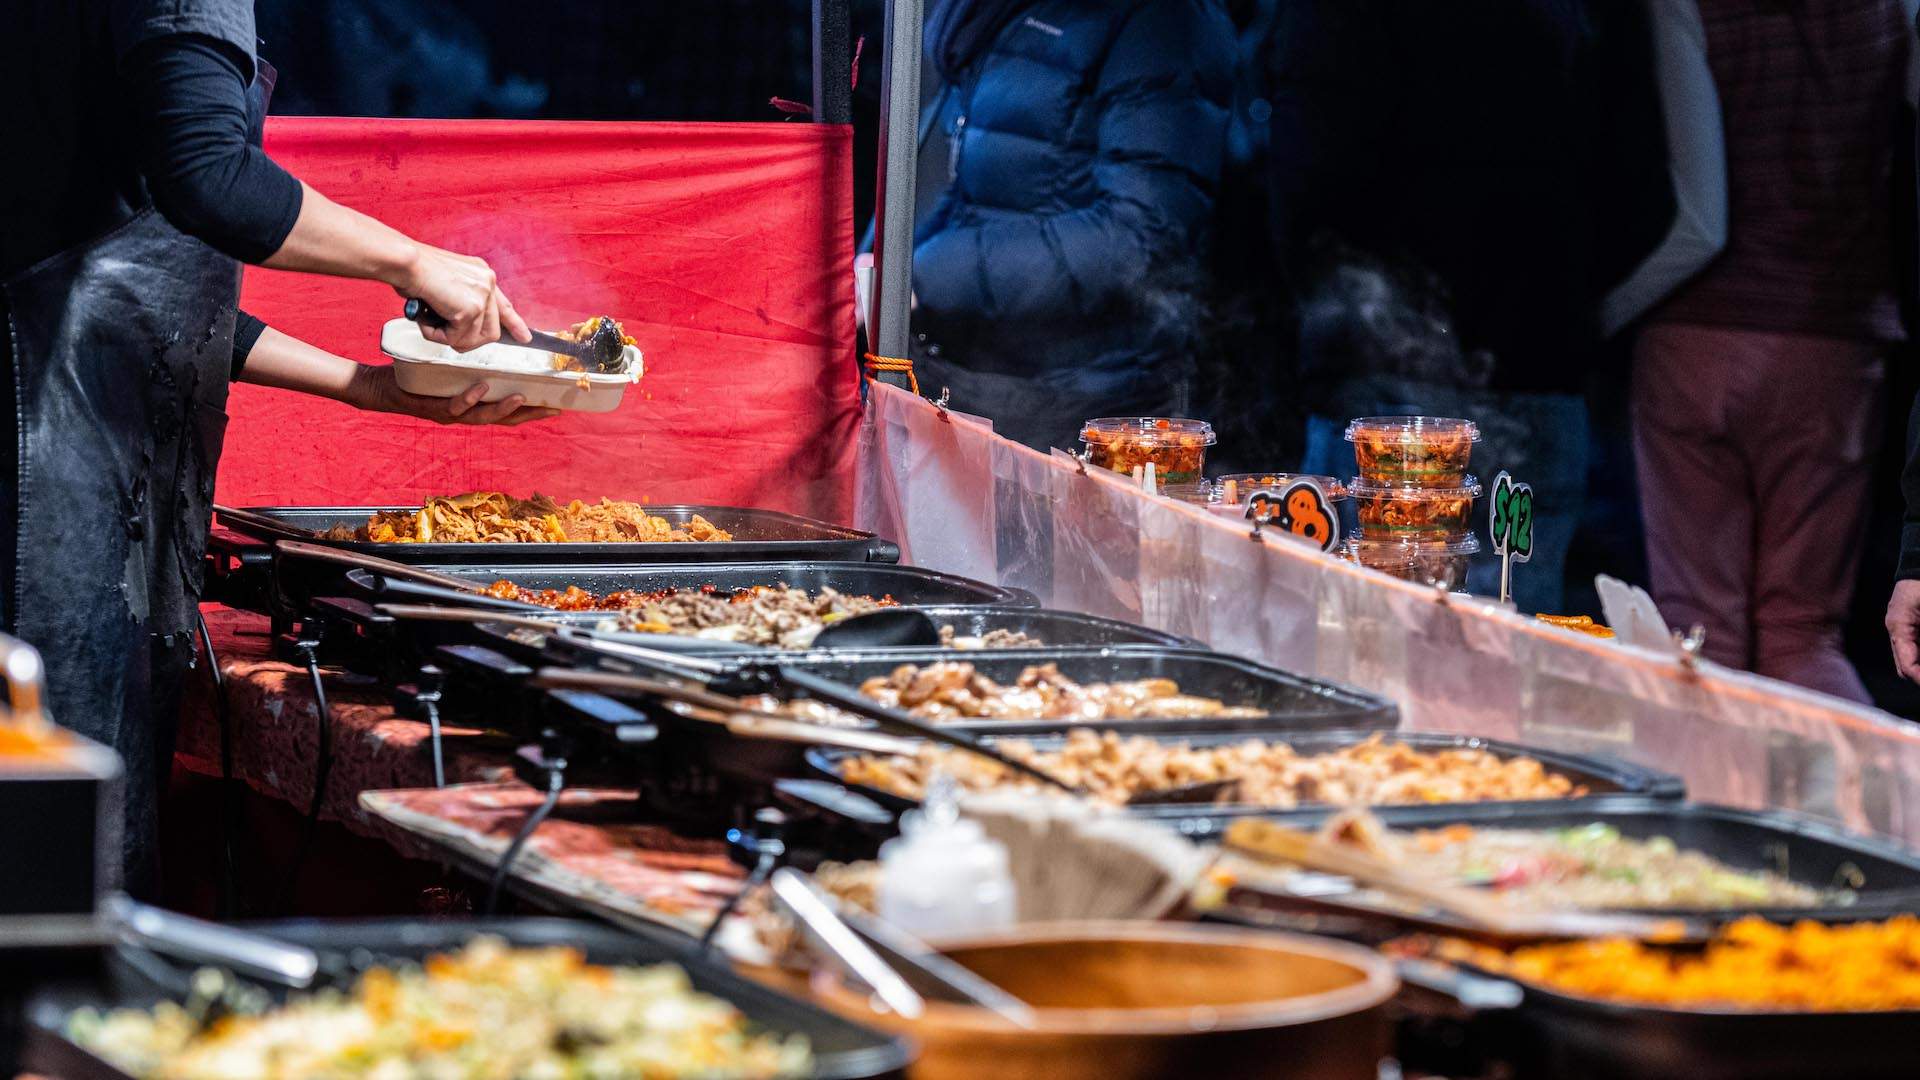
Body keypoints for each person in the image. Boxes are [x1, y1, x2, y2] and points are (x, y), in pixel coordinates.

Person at [2, 0, 554, 893]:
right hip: (44, 488)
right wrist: (413, 262)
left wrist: (365, 388)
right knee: (49, 860)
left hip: (83, 464)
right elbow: (209, 175)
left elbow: (139, 302)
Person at [1265, 0, 1671, 614]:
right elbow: (1644, 198)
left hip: (1381, 396)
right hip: (1536, 376)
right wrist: (1554, 303)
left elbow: (1310, 188)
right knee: (1504, 660)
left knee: (1355, 648)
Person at [1637, 0, 1909, 703]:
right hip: (1836, 339)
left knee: (1695, 627)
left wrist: (1603, 315)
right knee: (1803, 633)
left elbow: (1699, 219)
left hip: (1695, 334)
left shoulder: (1688, 6)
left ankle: (1697, 808)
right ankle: (1856, 812)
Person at [905, 0, 1237, 453]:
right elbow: (973, 182)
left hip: (1087, 399)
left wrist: (927, 275)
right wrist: (884, 265)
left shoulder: (1165, 21)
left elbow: (1139, 237)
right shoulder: (1003, 14)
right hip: (976, 376)